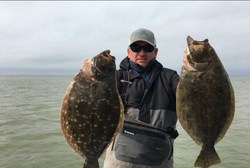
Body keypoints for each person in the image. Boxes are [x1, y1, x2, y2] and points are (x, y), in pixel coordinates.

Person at [102, 28, 180, 168]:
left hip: (160, 161)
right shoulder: (115, 78)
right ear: (128, 52)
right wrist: (90, 76)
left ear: (155, 52)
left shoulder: (171, 78)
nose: (142, 53)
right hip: (119, 162)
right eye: (136, 48)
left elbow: (192, 94)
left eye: (148, 48)